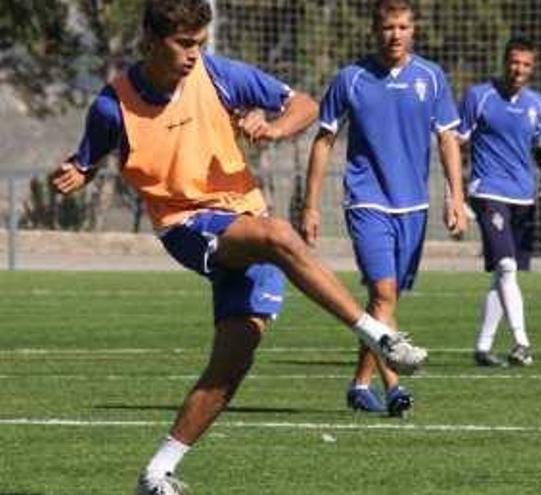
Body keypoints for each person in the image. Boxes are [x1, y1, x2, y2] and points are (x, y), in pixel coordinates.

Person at [49, 1, 426, 493]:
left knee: (230, 366)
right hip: (187, 226)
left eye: (200, 44)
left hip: (245, 219)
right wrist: (78, 172)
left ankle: (158, 471)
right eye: (184, 44)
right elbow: (90, 157)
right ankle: (381, 338)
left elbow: (305, 105)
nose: (193, 55)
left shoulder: (218, 74)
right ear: (151, 39)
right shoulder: (111, 104)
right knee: (278, 235)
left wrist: (273, 127)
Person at [300, 0, 467, 417]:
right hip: (366, 199)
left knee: (384, 305)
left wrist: (456, 196)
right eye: (388, 27)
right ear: (375, 31)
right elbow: (324, 141)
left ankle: (360, 384)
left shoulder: (431, 78)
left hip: (413, 206)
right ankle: (395, 386)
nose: (396, 34)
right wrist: (311, 206)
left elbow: (448, 139)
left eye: (403, 26)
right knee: (383, 292)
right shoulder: (351, 79)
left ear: (414, 30)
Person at [457, 37, 541, 367]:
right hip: (488, 191)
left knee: (504, 274)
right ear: (504, 61)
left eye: (526, 64)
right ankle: (522, 342)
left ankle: (483, 347)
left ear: (532, 68)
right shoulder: (479, 97)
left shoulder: (537, 103)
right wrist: (455, 191)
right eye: (514, 62)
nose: (518, 69)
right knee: (506, 266)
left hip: (523, 195)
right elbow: (455, 142)